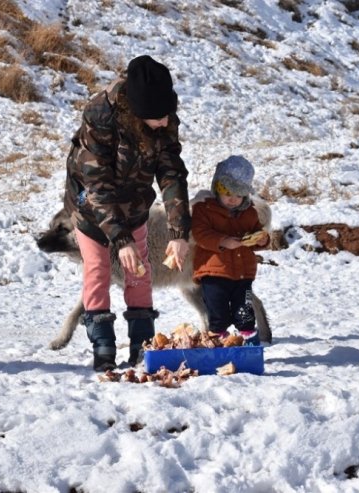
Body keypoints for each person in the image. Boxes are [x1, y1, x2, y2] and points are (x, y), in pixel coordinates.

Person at [63, 55, 191, 371]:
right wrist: (120, 241)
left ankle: (142, 345)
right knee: (98, 269)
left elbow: (172, 173)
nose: (166, 122)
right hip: (92, 208)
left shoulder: (162, 114)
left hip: (134, 204)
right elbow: (98, 188)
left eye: (167, 116)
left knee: (139, 270)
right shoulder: (100, 118)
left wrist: (178, 232)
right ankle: (103, 347)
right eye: (158, 118)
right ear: (138, 112)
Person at [191, 155, 269, 344]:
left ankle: (249, 344)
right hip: (213, 273)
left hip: (243, 274)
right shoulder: (204, 209)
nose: (233, 199)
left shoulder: (249, 212)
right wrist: (223, 241)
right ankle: (219, 344)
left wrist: (261, 239)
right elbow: (200, 234)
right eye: (228, 193)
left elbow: (256, 233)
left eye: (239, 194)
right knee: (217, 314)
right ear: (217, 188)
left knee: (245, 313)